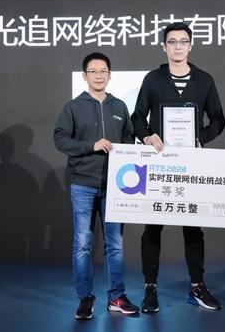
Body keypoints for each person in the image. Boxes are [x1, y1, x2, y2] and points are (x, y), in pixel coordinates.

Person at [131, 22, 225, 312]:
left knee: (193, 227)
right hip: (159, 163)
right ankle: (150, 287)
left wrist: (200, 139)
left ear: (190, 46)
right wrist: (146, 136)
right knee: (152, 227)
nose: (178, 46)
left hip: (191, 163)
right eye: (172, 41)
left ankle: (197, 286)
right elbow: (137, 117)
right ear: (164, 47)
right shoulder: (153, 79)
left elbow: (218, 119)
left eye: (183, 41)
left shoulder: (204, 80)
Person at [54, 52, 139, 320]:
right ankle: (85, 298)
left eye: (103, 71)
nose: (99, 75)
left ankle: (116, 297)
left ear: (110, 75)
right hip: (83, 184)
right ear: (85, 76)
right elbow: (60, 139)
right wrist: (91, 146)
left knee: (115, 245)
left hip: (115, 186)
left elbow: (129, 141)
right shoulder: (72, 107)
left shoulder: (119, 107)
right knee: (82, 244)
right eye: (93, 71)